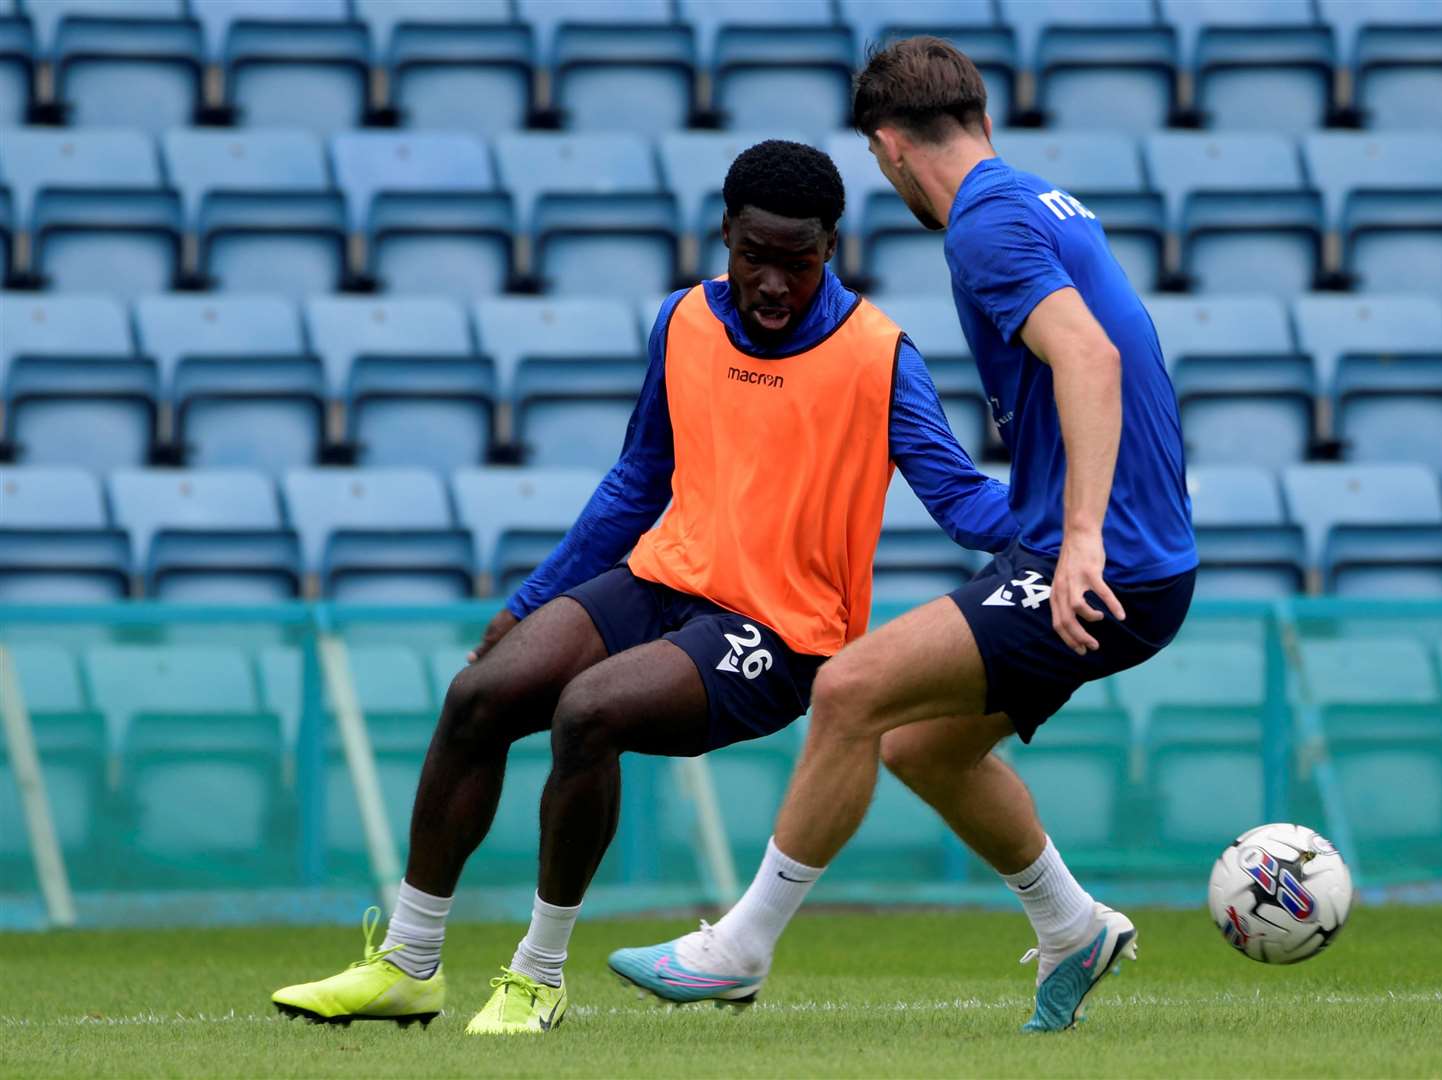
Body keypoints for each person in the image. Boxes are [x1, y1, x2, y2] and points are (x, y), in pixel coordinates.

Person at [271, 138, 1018, 1034]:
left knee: (588, 712)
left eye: (797, 259)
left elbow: (965, 501)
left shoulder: (880, 357)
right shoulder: (683, 323)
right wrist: (530, 601)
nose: (773, 281)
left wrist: (1080, 527)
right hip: (662, 580)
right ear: (726, 239)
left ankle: (537, 976)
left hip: (779, 631)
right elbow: (635, 484)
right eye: (754, 256)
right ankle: (408, 964)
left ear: (832, 248)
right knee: (480, 695)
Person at [611, 38, 1197, 1033]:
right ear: (979, 121)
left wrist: (1083, 538)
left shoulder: (980, 226)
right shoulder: (1040, 198)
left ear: (885, 148)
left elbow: (1089, 360)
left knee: (847, 688)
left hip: (1110, 562)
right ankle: (1071, 926)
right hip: (1121, 552)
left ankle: (738, 949)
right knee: (923, 748)